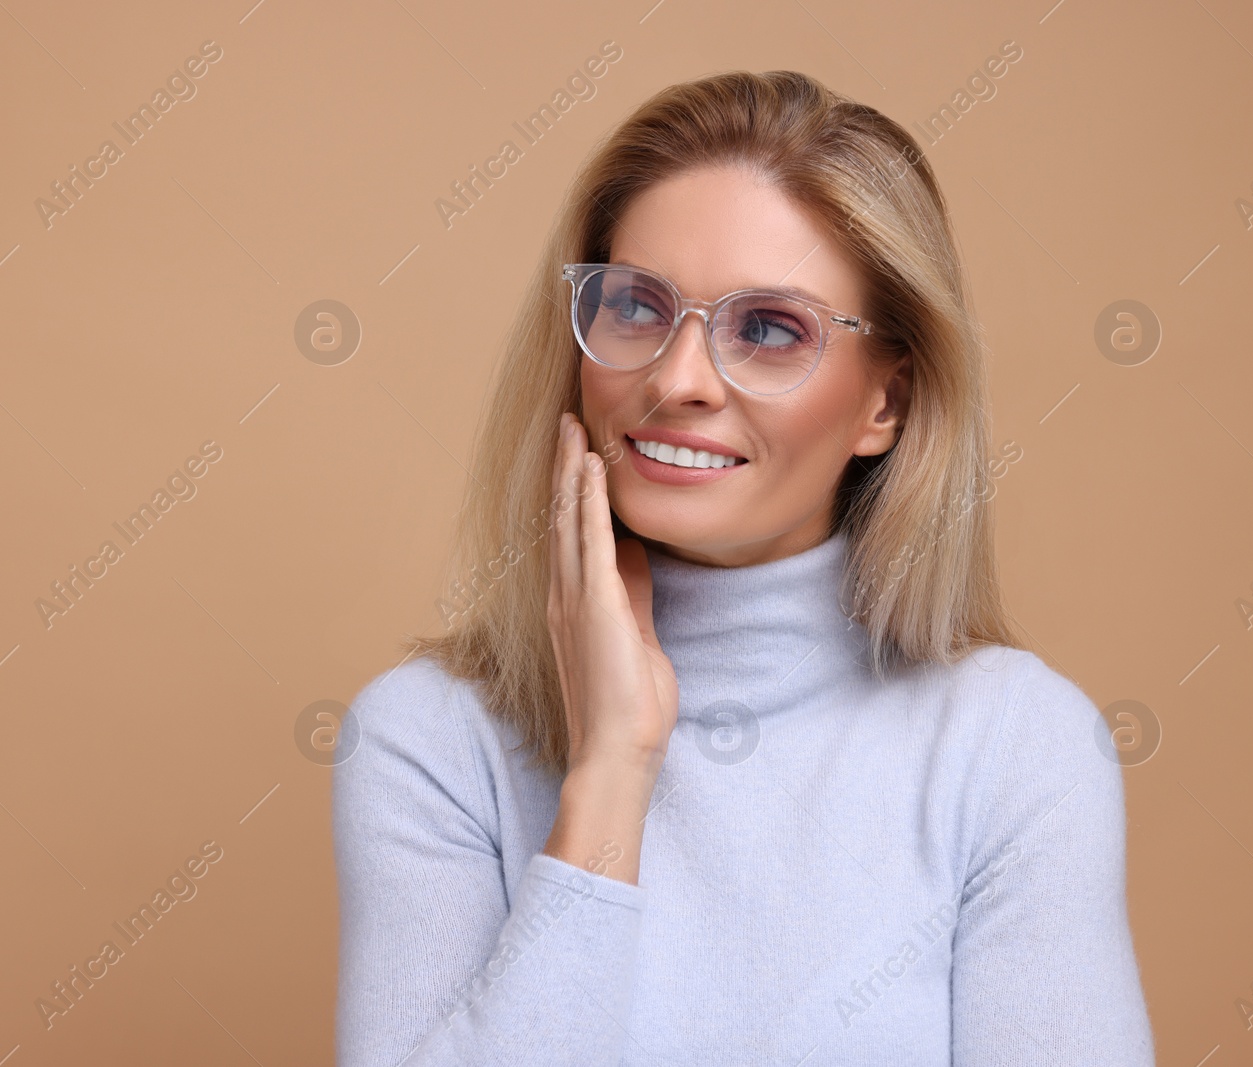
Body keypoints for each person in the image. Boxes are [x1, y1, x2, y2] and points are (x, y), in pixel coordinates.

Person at [331, 69, 1155, 1065]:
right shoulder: (430, 739)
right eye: (636, 305)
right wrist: (608, 773)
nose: (675, 379)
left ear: (883, 403)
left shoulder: (1016, 746)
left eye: (769, 330)